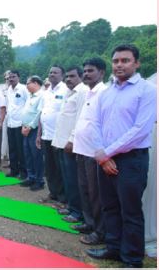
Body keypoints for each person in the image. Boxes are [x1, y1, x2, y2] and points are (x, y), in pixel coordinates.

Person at [87, 45, 157, 268]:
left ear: (137, 63)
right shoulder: (107, 92)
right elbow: (96, 123)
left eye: (125, 60)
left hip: (131, 160)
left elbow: (140, 130)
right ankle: (114, 248)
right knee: (110, 207)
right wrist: (102, 156)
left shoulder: (147, 90)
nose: (119, 65)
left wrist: (106, 153)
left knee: (131, 211)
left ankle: (132, 259)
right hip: (104, 159)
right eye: (116, 61)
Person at [72, 58, 108, 246]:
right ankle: (89, 223)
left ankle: (100, 232)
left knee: (96, 194)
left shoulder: (105, 93)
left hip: (95, 153)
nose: (86, 74)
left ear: (101, 73)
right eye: (84, 71)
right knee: (85, 189)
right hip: (82, 149)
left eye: (90, 71)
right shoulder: (89, 93)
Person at [51, 66, 88, 223]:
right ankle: (70, 206)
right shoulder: (69, 92)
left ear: (80, 77)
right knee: (66, 176)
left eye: (72, 76)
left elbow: (80, 118)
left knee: (73, 178)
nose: (68, 79)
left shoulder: (82, 92)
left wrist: (71, 140)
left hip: (71, 144)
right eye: (67, 76)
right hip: (62, 142)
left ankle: (77, 212)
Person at [37, 65, 69, 205]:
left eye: (55, 72)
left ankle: (63, 198)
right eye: (50, 72)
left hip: (59, 137)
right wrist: (39, 134)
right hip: (46, 136)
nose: (52, 74)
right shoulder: (46, 92)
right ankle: (53, 193)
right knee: (49, 168)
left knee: (60, 169)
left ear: (62, 75)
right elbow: (42, 114)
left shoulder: (66, 90)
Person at [20, 76, 45, 190]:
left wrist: (29, 126)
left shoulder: (41, 95)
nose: (26, 86)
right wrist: (23, 125)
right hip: (26, 129)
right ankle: (31, 177)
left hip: (34, 130)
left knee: (36, 156)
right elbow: (27, 112)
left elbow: (39, 114)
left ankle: (39, 180)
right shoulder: (30, 96)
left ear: (35, 83)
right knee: (28, 154)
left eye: (28, 83)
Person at [5, 70, 28, 178]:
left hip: (20, 123)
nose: (11, 79)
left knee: (21, 150)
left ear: (18, 77)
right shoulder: (8, 90)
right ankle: (14, 170)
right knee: (12, 148)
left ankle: (24, 172)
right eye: (9, 77)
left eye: (13, 76)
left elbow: (28, 104)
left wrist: (26, 122)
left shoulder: (23, 89)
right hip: (10, 123)